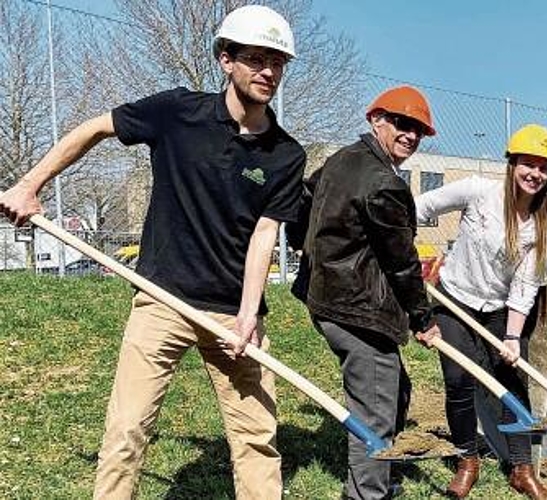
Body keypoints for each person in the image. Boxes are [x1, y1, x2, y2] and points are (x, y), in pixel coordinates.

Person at [0, 6, 301, 498]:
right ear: (226, 59)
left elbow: (264, 235)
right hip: (161, 299)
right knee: (126, 432)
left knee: (257, 440)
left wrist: (248, 314)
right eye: (256, 59)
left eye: (278, 61)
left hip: (234, 314)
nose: (268, 71)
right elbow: (95, 128)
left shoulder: (286, 154)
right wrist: (30, 184)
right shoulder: (177, 112)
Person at [290, 85, 441, 499]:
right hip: (359, 309)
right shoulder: (383, 183)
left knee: (397, 390)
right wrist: (423, 320)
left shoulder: (341, 161)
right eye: (402, 124)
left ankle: (386, 476)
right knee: (374, 414)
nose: (410, 135)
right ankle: (368, 493)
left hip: (326, 300)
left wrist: (308, 247)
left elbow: (301, 201)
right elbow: (402, 263)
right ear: (377, 121)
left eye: (418, 130)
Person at [413, 124, 547, 499]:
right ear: (511, 164)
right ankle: (467, 460)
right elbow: (424, 206)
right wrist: (398, 243)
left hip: (497, 309)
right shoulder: (478, 192)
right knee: (459, 379)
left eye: (543, 167)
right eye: (528, 164)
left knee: (513, 384)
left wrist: (511, 336)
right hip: (454, 299)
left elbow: (525, 285)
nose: (535, 174)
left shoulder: (540, 223)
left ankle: (521, 469)